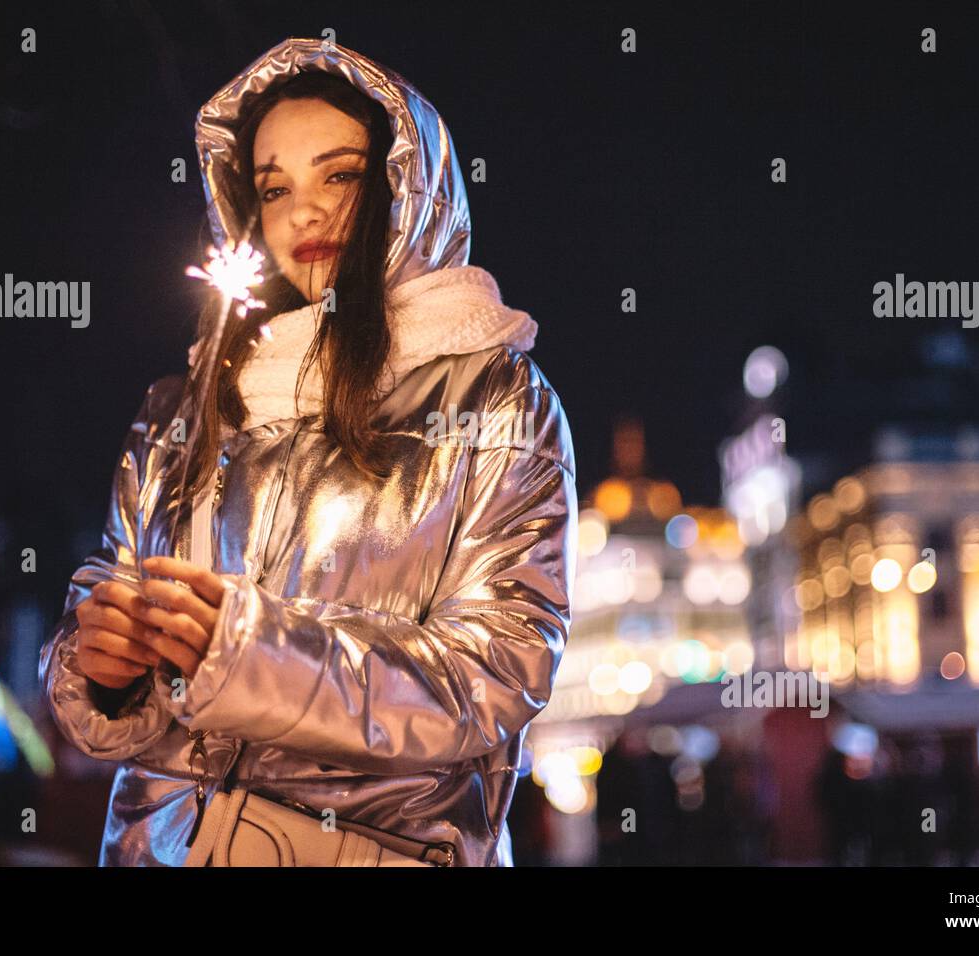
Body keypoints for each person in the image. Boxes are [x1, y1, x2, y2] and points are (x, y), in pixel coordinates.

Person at [38, 37, 577, 867]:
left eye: (340, 175)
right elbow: (116, 603)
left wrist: (250, 649)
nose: (304, 213)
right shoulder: (184, 405)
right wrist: (106, 666)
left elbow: (495, 670)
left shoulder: (496, 397)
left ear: (407, 185)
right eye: (274, 187)